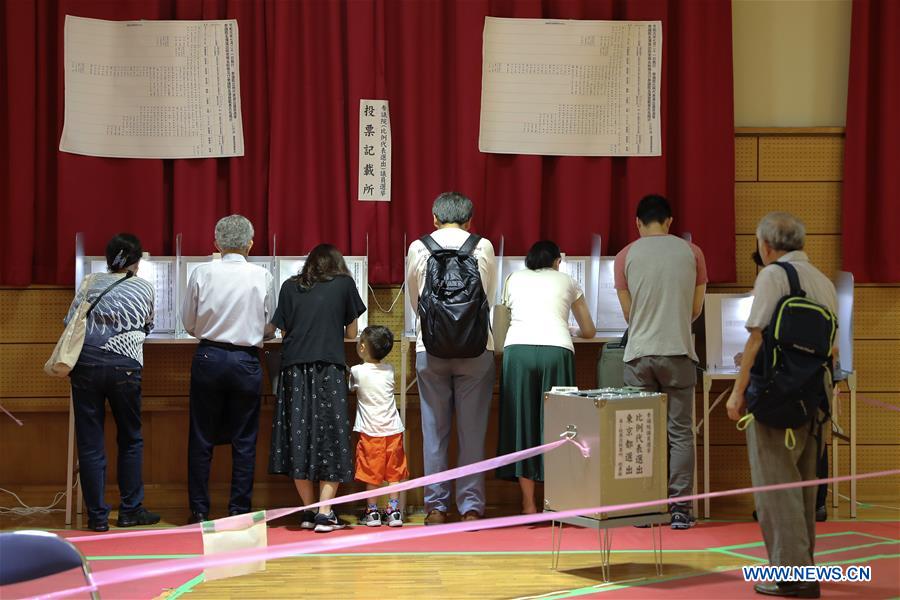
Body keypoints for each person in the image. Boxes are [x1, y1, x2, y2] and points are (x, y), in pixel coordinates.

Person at [726, 212, 837, 599]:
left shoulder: (773, 275)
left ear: (766, 245)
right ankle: (804, 570)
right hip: (815, 396)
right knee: (804, 487)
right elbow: (832, 347)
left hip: (775, 397)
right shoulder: (822, 280)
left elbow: (756, 338)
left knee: (776, 486)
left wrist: (737, 393)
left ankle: (791, 577)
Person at [614, 194, 708, 530]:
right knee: (680, 433)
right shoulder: (692, 253)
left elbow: (628, 314)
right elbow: (695, 310)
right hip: (679, 351)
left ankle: (644, 508)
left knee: (641, 431)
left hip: (639, 354)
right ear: (670, 222)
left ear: (638, 223)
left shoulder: (625, 255)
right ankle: (680, 508)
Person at [406, 191, 497, 524]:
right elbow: (488, 294)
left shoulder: (419, 247)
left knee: (434, 430)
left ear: (434, 217)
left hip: (430, 349)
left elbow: (416, 300)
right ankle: (471, 507)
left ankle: (436, 507)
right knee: (473, 432)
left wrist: (435, 326)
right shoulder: (482, 245)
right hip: (476, 349)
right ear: (469, 219)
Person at [181, 215, 274, 524]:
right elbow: (269, 325)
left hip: (208, 357)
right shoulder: (262, 275)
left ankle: (199, 510)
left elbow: (189, 323)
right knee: (244, 439)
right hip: (246, 360)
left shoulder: (201, 272)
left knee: (201, 436)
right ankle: (239, 509)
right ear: (250, 243)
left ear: (216, 243)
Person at [65, 233, 160, 532]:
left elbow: (69, 322)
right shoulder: (144, 287)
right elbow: (148, 323)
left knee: (90, 443)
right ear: (136, 261)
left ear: (108, 259)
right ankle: (130, 510)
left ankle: (97, 517)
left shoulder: (90, 283)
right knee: (130, 438)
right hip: (125, 368)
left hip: (86, 365)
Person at [269, 244, 366, 533]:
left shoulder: (289, 286)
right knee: (332, 438)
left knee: (297, 439)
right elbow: (352, 332)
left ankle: (309, 510)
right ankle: (326, 512)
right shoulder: (345, 284)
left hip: (294, 370)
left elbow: (283, 332)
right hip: (329, 369)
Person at [496, 241, 596, 514]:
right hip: (556, 350)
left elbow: (503, 318)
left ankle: (528, 503)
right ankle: (556, 500)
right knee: (558, 425)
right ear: (557, 261)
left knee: (522, 425)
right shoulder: (568, 281)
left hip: (518, 352)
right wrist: (570, 329)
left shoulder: (513, 278)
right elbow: (589, 330)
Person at [350, 325, 408, 527]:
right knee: (394, 473)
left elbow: (351, 386)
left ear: (363, 347)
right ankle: (393, 511)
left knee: (371, 473)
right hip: (393, 430)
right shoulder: (389, 370)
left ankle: (372, 512)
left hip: (370, 432)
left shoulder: (356, 371)